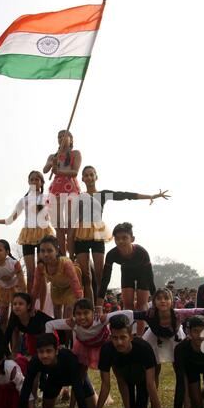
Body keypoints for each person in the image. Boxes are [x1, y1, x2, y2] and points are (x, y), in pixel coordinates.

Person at [75, 165, 170, 302]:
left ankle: (100, 305)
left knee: (101, 274)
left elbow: (124, 195)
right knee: (85, 276)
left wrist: (150, 196)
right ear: (82, 179)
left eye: (91, 174)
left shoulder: (102, 194)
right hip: (81, 235)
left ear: (96, 177)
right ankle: (89, 306)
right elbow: (72, 218)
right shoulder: (79, 197)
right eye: (86, 175)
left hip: (97, 234)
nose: (89, 177)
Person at [0, 171, 54, 292]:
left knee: (42, 271)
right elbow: (9, 220)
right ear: (28, 182)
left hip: (44, 234)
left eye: (37, 179)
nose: (34, 182)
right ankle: (31, 302)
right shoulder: (24, 200)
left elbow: (54, 216)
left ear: (42, 182)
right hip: (27, 236)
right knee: (31, 273)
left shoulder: (46, 197)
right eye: (31, 179)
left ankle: (44, 301)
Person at [4, 333, 95, 408]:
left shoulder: (68, 358)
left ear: (56, 351)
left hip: (75, 378)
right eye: (41, 352)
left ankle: (94, 393)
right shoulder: (35, 362)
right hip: (54, 379)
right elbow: (26, 387)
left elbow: (78, 388)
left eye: (48, 351)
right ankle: (63, 391)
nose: (45, 355)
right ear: (37, 352)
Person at [93, 314, 167, 408]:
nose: (119, 342)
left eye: (123, 337)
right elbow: (106, 384)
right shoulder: (107, 349)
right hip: (124, 376)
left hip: (143, 376)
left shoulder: (143, 348)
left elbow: (151, 384)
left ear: (131, 337)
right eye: (115, 338)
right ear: (110, 337)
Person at [97, 222, 156, 336]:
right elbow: (105, 280)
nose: (121, 241)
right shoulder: (112, 254)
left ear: (132, 239)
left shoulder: (142, 253)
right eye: (117, 239)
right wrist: (99, 306)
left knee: (141, 306)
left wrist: (154, 302)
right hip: (127, 272)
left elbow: (150, 278)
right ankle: (127, 334)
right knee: (128, 305)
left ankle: (140, 336)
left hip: (142, 274)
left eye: (124, 238)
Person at [43, 130, 82, 258]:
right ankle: (62, 255)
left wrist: (58, 170)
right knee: (58, 225)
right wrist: (51, 163)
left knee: (71, 224)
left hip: (70, 188)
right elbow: (45, 170)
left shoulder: (75, 154)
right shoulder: (53, 156)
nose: (61, 138)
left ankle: (72, 256)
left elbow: (74, 172)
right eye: (59, 137)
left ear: (71, 139)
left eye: (64, 136)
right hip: (57, 188)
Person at [31, 235, 83, 320]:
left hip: (71, 288)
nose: (46, 254)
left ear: (57, 251)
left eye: (50, 251)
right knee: (57, 313)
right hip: (56, 287)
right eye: (42, 251)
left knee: (68, 314)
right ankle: (59, 333)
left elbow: (75, 283)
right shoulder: (40, 267)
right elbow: (36, 288)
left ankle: (68, 332)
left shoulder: (65, 263)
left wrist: (81, 303)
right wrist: (32, 306)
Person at [172, 316, 204, 408]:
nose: (200, 335)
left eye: (203, 331)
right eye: (195, 331)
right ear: (189, 332)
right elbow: (181, 381)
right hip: (191, 370)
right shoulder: (181, 349)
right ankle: (200, 395)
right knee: (197, 406)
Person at [5, 292, 64, 358]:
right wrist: (10, 354)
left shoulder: (36, 316)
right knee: (33, 357)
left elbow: (56, 325)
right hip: (31, 336)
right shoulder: (14, 316)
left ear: (28, 306)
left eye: (20, 304)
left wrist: (61, 344)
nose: (17, 306)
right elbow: (7, 335)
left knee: (45, 356)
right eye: (14, 304)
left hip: (49, 336)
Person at [0, 239, 26, 331]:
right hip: (1, 289)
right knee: (3, 318)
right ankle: (4, 342)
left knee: (15, 318)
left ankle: (15, 341)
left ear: (7, 252)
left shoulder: (14, 264)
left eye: (0, 250)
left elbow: (22, 282)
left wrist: (24, 297)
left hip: (15, 288)